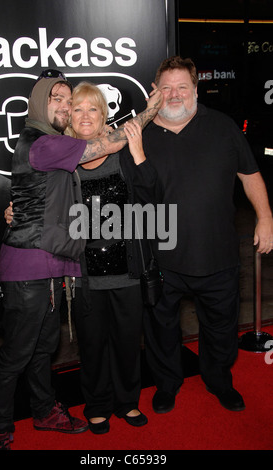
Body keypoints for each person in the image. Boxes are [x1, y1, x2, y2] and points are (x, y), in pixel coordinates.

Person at [0, 70, 162, 450]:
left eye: (81, 104)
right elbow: (101, 148)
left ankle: (46, 409)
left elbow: (150, 203)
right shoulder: (48, 145)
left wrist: (23, 208)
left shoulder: (55, 146)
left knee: (45, 348)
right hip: (41, 266)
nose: (72, 110)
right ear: (39, 103)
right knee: (21, 350)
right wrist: (150, 111)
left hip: (63, 267)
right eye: (62, 101)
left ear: (102, 112)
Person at [141, 56, 273, 414]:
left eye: (182, 86)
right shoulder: (141, 134)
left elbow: (250, 174)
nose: (174, 94)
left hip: (218, 256)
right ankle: (167, 385)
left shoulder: (223, 127)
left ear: (195, 90)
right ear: (154, 91)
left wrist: (265, 218)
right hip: (162, 257)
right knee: (161, 330)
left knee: (220, 328)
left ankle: (218, 381)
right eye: (166, 87)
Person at [67, 82, 157, 434]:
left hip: (128, 271)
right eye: (78, 109)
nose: (86, 115)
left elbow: (152, 196)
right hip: (86, 274)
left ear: (104, 115)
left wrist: (137, 151)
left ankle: (128, 402)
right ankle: (97, 405)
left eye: (93, 109)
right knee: (91, 344)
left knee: (126, 341)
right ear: (69, 117)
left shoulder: (121, 153)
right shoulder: (64, 160)